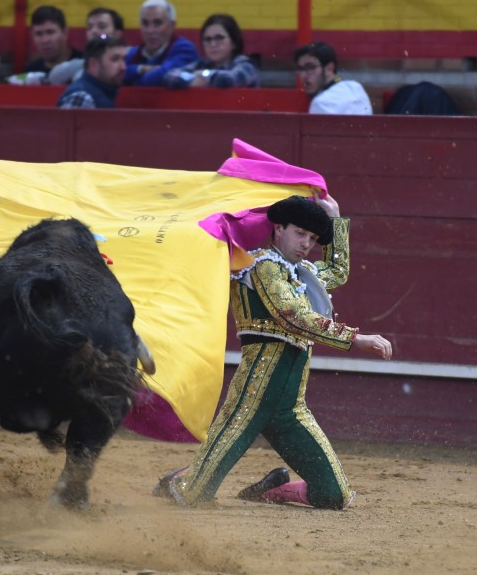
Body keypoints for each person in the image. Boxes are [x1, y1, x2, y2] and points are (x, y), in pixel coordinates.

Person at [154, 193, 393, 510]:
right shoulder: (261, 266)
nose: (306, 243)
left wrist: (335, 216)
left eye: (312, 237)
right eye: (300, 234)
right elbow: (291, 315)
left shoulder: (299, 271)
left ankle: (272, 489)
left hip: (290, 408)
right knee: (192, 494)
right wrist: (355, 339)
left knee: (334, 496)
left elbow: (337, 270)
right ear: (278, 229)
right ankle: (180, 478)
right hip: (251, 401)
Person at [163, 13, 258, 89]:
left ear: (234, 42)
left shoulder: (246, 65)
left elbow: (228, 80)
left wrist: (203, 75)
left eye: (219, 38)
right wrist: (194, 81)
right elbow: (169, 77)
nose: (213, 44)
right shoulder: (201, 64)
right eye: (207, 39)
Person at [123, 0, 198, 87]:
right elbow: (115, 76)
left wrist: (132, 76)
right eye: (145, 23)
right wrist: (141, 69)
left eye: (157, 23)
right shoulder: (132, 53)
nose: (150, 30)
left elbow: (161, 77)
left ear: (172, 26)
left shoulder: (185, 49)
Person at [48, 7, 124, 85]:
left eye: (102, 27)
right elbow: (53, 77)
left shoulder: (128, 60)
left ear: (117, 34)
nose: (94, 31)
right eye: (90, 27)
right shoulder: (78, 65)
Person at [294, 42, 372, 115]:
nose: (303, 75)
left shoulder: (321, 103)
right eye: (300, 69)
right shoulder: (355, 87)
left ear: (329, 68)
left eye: (310, 67)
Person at [56, 35, 126, 109]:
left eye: (124, 59)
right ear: (93, 65)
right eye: (115, 59)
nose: (123, 67)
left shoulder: (104, 93)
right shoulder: (82, 97)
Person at [24, 5, 81, 76]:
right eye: (38, 34)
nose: (45, 40)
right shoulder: (31, 72)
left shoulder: (85, 66)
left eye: (50, 32)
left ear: (65, 33)